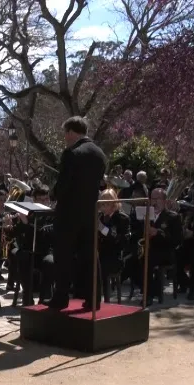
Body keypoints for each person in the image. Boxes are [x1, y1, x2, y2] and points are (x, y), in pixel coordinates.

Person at [48, 116, 109, 310]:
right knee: (91, 256)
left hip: (68, 214)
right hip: (90, 213)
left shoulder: (72, 153)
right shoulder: (100, 154)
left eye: (65, 133)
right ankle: (94, 298)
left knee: (63, 256)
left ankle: (61, 297)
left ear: (72, 132)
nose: (65, 137)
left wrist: (53, 193)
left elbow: (63, 185)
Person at [97, 189, 130, 298]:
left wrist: (101, 228)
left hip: (114, 257)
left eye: (105, 203)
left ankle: (106, 299)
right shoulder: (100, 217)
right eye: (101, 202)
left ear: (113, 203)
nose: (102, 206)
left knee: (102, 266)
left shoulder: (122, 218)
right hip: (100, 253)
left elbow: (117, 239)